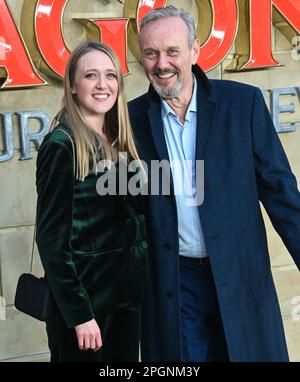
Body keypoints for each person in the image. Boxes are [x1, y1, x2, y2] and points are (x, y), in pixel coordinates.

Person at [128, 6, 300, 362]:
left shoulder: (242, 105)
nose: (162, 63)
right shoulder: (130, 121)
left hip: (239, 277)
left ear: (194, 52)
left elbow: (281, 194)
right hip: (174, 287)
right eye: (151, 53)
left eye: (172, 51)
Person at [35, 41, 147, 362]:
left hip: (125, 303)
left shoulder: (118, 138)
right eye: (90, 76)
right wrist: (80, 315)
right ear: (72, 85)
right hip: (88, 312)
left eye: (111, 75)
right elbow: (52, 241)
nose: (103, 85)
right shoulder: (62, 144)